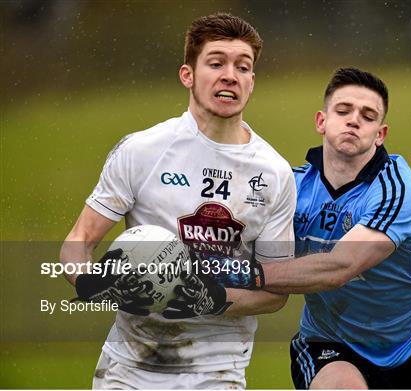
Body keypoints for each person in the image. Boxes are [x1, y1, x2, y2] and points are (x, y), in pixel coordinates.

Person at [60, 13, 295, 389]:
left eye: (243, 67)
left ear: (252, 82)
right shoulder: (141, 151)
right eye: (216, 63)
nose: (230, 75)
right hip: (128, 367)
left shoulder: (274, 173)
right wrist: (91, 283)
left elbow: (275, 293)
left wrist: (209, 299)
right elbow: (78, 244)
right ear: (188, 75)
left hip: (218, 372)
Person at [258, 67, 411, 389]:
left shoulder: (399, 191)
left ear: (380, 135)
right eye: (343, 111)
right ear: (321, 122)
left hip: (402, 355)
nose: (354, 120)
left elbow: (342, 266)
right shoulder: (291, 188)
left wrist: (250, 274)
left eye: (368, 116)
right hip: (326, 344)